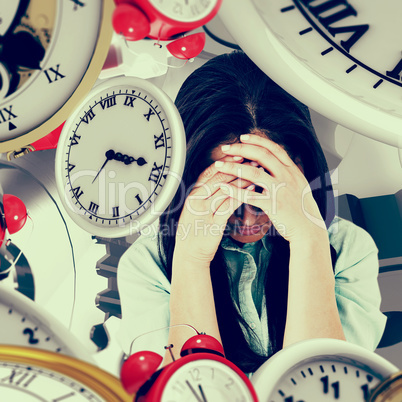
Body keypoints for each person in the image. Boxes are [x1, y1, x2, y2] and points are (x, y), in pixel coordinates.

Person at [117, 50, 386, 374]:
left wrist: (308, 240)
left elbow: (327, 391)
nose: (247, 219)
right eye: (224, 191)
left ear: (300, 171)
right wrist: (191, 259)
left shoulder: (349, 250)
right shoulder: (147, 266)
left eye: (263, 191)